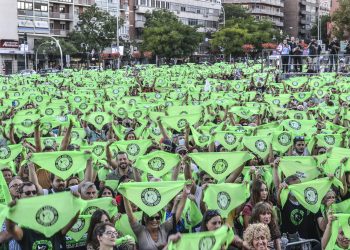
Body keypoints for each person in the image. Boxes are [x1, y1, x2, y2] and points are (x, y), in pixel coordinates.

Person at [6, 181, 79, 249]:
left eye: (34, 192)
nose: (31, 195)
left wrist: (77, 203)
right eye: (28, 193)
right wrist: (10, 213)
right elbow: (10, 228)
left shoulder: (54, 228)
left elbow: (73, 220)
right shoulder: (23, 228)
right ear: (19, 195)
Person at [123, 188, 187, 250]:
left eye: (157, 218)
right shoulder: (140, 231)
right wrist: (124, 194)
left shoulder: (164, 228)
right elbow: (131, 217)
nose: (154, 220)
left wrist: (186, 191)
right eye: (151, 218)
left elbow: (179, 212)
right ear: (145, 219)